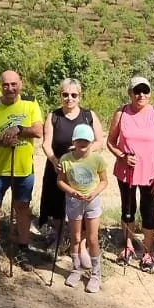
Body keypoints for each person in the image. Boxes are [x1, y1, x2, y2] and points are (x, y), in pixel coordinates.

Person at [0, 71, 44, 269]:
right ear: (0, 85)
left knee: (22, 207)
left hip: (23, 168)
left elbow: (38, 131)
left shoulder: (30, 103)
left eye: (14, 84)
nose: (10, 88)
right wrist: (2, 140)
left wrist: (18, 129)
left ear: (21, 84)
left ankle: (23, 248)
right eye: (6, 85)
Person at [106, 77, 154, 271]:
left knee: (149, 211)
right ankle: (128, 247)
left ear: (150, 93)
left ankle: (148, 253)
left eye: (145, 91)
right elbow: (110, 142)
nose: (141, 95)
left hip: (151, 174)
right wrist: (122, 155)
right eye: (137, 91)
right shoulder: (121, 113)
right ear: (130, 93)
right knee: (128, 208)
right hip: (126, 172)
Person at [38, 78, 98, 246]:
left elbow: (99, 141)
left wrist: (84, 152)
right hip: (58, 167)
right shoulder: (53, 116)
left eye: (73, 94)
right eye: (65, 94)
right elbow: (46, 143)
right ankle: (58, 237)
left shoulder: (88, 116)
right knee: (56, 203)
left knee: (82, 203)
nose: (69, 98)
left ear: (79, 96)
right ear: (60, 95)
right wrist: (54, 161)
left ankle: (80, 241)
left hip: (82, 168)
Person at [55, 123, 108, 293]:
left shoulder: (97, 159)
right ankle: (76, 269)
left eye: (86, 141)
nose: (83, 144)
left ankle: (95, 274)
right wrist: (72, 192)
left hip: (92, 200)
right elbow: (60, 181)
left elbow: (104, 180)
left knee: (92, 238)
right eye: (79, 141)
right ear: (74, 141)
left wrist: (94, 193)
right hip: (74, 201)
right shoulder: (66, 159)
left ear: (91, 142)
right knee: (76, 237)